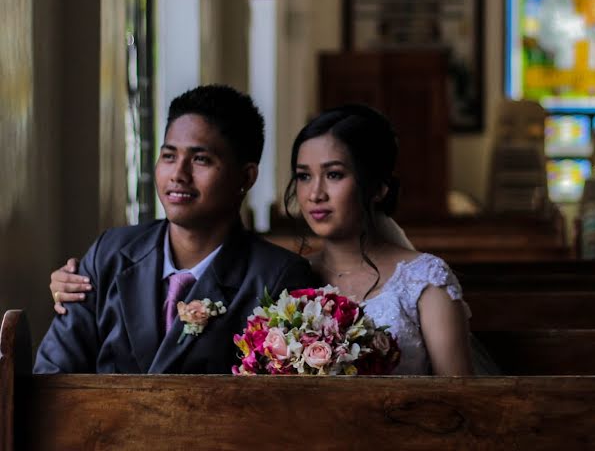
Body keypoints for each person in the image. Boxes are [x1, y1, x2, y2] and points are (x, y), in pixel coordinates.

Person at [51, 104, 474, 376]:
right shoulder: (292, 273)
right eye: (304, 176)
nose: (315, 194)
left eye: (335, 174)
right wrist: (69, 282)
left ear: (378, 186)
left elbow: (462, 404)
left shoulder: (420, 281)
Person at [36, 85, 317, 374]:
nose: (178, 175)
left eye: (201, 159)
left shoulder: (276, 280)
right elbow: (53, 376)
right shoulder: (109, 254)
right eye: (169, 156)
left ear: (245, 177)